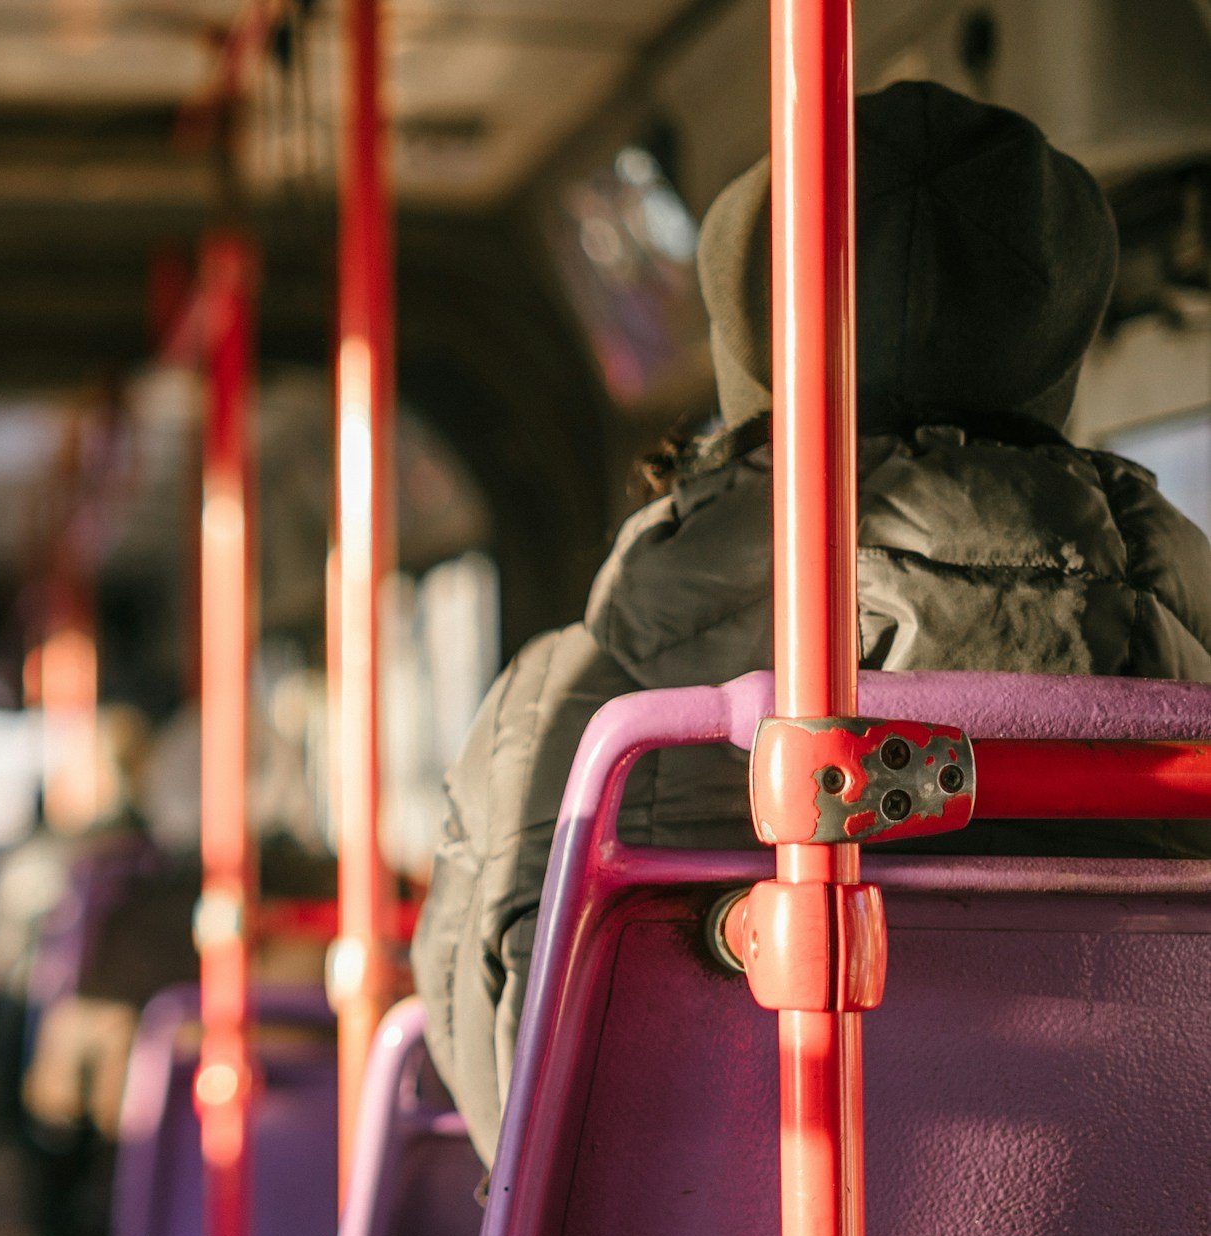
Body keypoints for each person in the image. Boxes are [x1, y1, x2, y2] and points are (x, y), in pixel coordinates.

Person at [413, 80, 1211, 1167]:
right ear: (1054, 346)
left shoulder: (575, 712)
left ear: (748, 343)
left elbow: (512, 1103)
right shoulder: (1186, 661)